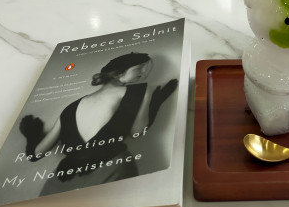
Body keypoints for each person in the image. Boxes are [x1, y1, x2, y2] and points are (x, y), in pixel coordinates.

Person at [19, 52, 178, 193]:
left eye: (146, 70)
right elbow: (137, 132)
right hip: (112, 170)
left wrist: (31, 135)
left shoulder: (70, 108)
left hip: (64, 179)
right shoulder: (141, 90)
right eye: (139, 69)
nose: (143, 74)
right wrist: (155, 103)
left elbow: (35, 154)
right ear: (118, 72)